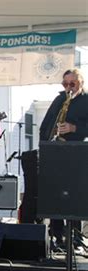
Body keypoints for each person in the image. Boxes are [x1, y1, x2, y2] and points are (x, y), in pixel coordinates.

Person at [39, 68, 88, 248]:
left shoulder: (86, 100)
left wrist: (74, 128)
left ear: (80, 83)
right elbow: (45, 125)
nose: (68, 87)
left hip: (76, 152)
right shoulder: (59, 99)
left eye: (72, 84)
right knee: (55, 193)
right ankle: (56, 234)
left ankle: (75, 235)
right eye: (65, 84)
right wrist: (46, 140)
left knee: (74, 194)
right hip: (56, 151)